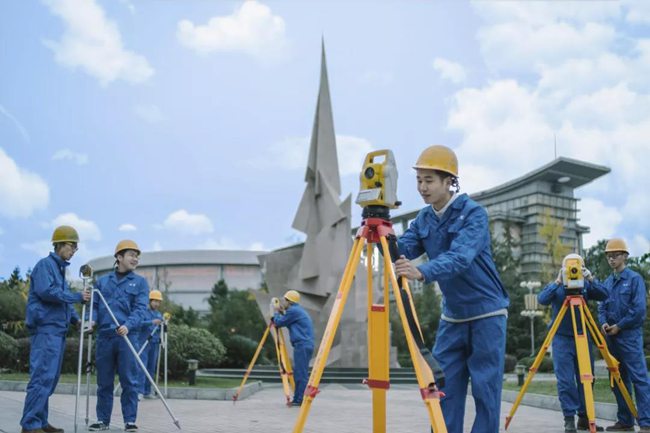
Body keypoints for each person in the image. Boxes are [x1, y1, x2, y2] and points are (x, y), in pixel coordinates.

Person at [394, 144, 509, 433]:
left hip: (487, 314)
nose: (422, 187)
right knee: (443, 389)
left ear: (449, 181)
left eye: (429, 180)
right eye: (419, 180)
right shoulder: (423, 218)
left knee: (485, 391)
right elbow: (401, 249)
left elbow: (460, 257)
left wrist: (421, 272)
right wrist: (378, 232)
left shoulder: (474, 215)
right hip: (453, 318)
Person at [20, 225, 91, 433]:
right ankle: (30, 425)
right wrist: (78, 296)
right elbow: (47, 292)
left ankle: (41, 422)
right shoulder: (45, 266)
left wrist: (77, 321)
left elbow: (65, 303)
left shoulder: (60, 272)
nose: (74, 251)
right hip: (45, 330)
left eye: (76, 248)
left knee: (49, 380)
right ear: (59, 244)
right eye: (71, 246)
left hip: (57, 332)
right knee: (41, 377)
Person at [537, 254, 608, 432]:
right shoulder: (558, 286)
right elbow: (542, 299)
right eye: (569, 266)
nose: (574, 269)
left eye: (578, 266)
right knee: (566, 380)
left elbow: (605, 294)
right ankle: (569, 419)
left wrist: (590, 277)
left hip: (583, 336)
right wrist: (558, 281)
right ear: (563, 267)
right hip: (562, 338)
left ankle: (584, 418)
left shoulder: (585, 285)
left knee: (587, 378)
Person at [88, 240, 148, 432]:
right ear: (119, 257)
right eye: (131, 254)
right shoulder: (103, 282)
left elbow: (140, 309)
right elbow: (95, 306)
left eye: (137, 255)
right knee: (104, 382)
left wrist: (128, 325)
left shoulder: (140, 283)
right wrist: (92, 320)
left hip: (127, 338)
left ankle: (129, 421)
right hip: (105, 337)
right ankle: (102, 420)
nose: (135, 258)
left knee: (129, 381)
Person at [597, 239, 650, 433]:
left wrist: (620, 326)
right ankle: (625, 421)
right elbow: (601, 306)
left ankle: (646, 422)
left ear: (625, 256)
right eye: (609, 256)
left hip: (629, 337)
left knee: (639, 379)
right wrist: (603, 323)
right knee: (617, 379)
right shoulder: (607, 282)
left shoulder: (634, 279)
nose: (612, 259)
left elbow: (639, 311)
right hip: (612, 339)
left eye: (616, 255)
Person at [271, 290, 314, 407]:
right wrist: (281, 312)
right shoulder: (296, 311)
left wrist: (275, 313)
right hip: (304, 344)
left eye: (284, 300)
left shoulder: (293, 311)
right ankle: (299, 398)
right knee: (301, 372)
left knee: (301, 373)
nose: (283, 302)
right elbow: (287, 318)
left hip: (302, 345)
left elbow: (278, 322)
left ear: (289, 301)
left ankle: (299, 400)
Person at [138, 290, 163, 399]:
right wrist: (151, 322)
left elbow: (160, 327)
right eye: (155, 301)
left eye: (158, 301)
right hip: (144, 342)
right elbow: (138, 324)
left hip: (154, 343)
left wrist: (164, 324)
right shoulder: (143, 311)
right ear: (150, 301)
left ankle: (147, 391)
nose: (156, 304)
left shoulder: (159, 314)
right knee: (142, 366)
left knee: (151, 367)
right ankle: (140, 391)